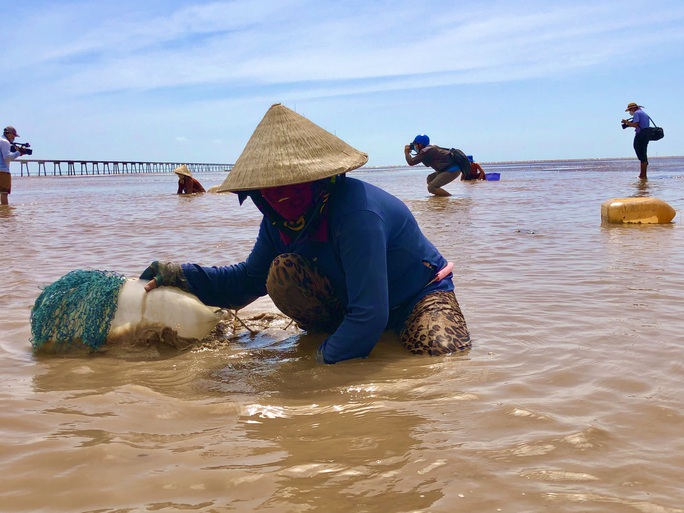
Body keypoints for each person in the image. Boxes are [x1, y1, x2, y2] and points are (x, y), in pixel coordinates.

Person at [141, 103, 471, 364]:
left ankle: (344, 344)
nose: (282, 194)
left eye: (294, 182)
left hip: (417, 297)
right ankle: (334, 337)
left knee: (440, 359)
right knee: (281, 270)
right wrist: (181, 276)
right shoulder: (277, 223)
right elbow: (246, 282)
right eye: (271, 186)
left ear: (321, 178)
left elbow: (370, 313)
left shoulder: (357, 214)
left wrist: (313, 368)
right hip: (355, 305)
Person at [403, 134, 472, 196]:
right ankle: (439, 196)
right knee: (430, 179)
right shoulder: (430, 148)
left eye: (415, 144)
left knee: (431, 187)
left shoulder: (426, 151)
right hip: (447, 169)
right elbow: (426, 163)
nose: (414, 146)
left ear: (420, 145)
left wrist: (406, 152)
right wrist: (415, 151)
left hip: (452, 170)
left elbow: (411, 162)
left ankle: (449, 199)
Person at [621, 102, 651, 180]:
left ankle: (643, 175)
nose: (630, 112)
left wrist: (626, 122)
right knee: (643, 154)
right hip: (646, 134)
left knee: (641, 154)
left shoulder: (637, 113)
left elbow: (635, 125)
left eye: (630, 110)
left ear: (633, 108)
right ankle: (643, 174)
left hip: (641, 135)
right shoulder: (643, 113)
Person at [0, 126, 28, 206]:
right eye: (13, 136)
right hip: (3, 171)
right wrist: (19, 153)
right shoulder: (5, 142)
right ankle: (5, 215)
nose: (14, 138)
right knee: (4, 193)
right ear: (9, 134)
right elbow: (7, 157)